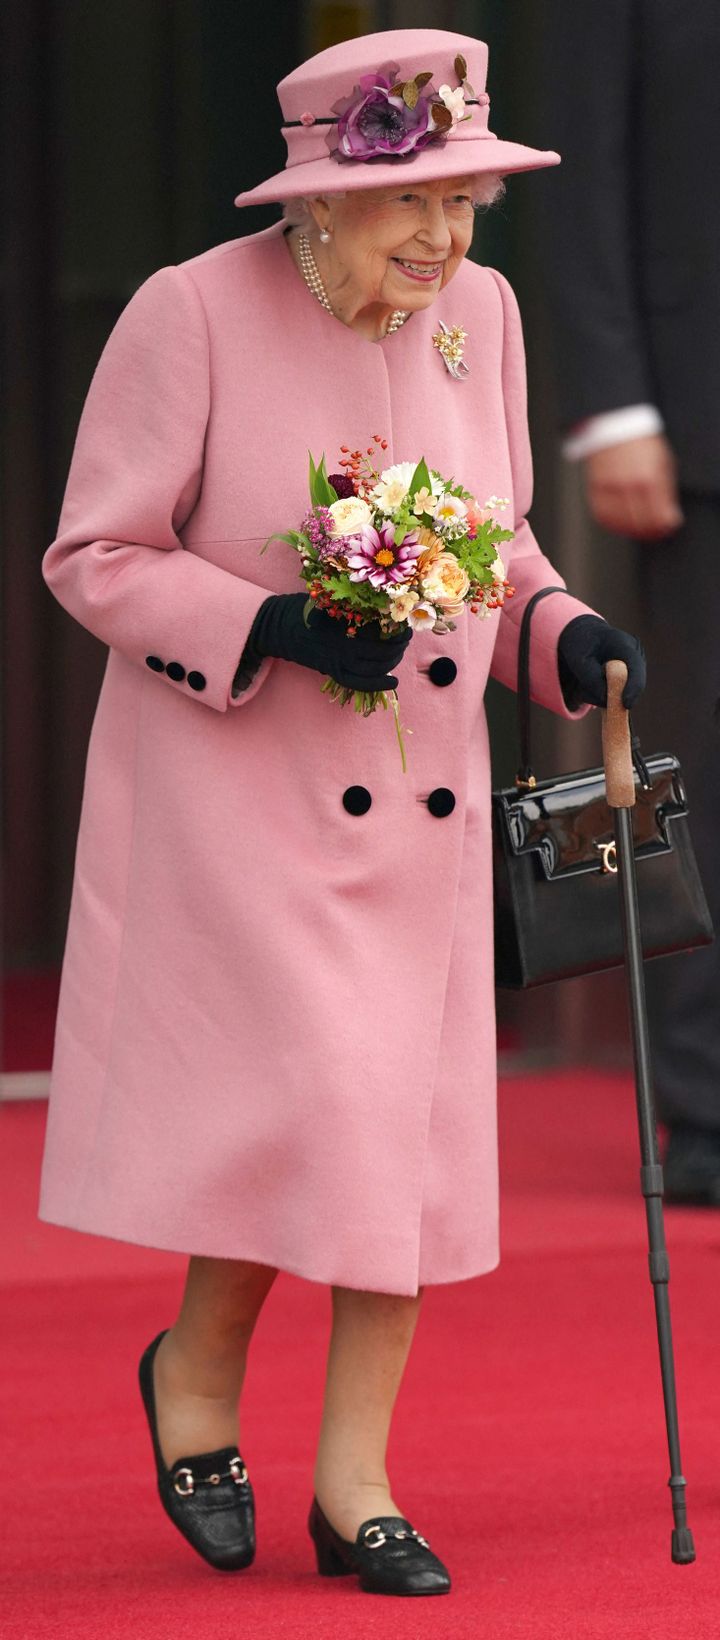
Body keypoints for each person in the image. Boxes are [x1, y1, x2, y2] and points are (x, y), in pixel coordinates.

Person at [38, 28, 645, 1596]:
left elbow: (496, 541)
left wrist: (559, 627)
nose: (446, 241)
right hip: (246, 804)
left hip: (422, 816)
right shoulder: (191, 312)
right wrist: (272, 625)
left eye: (467, 204)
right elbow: (94, 555)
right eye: (415, 208)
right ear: (313, 207)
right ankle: (195, 1374)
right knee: (305, 1119)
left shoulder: (486, 315)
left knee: (410, 1153)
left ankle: (358, 1481)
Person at [535, 1, 720, 1204]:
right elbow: (578, 159)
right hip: (695, 417)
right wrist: (613, 405)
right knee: (700, 775)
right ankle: (707, 1110)